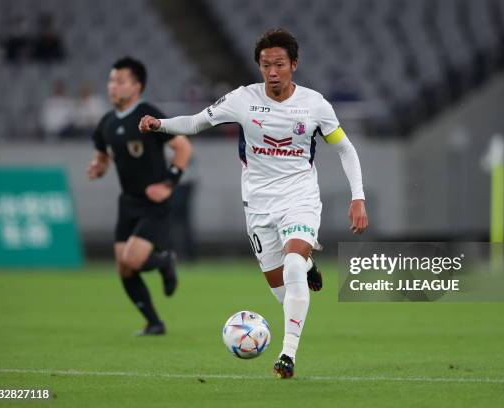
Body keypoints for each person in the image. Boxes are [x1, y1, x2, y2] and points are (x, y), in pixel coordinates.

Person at [139, 29, 367, 377]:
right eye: (265, 65)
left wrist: (358, 197)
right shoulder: (242, 99)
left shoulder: (315, 105)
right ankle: (307, 266)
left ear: (293, 64)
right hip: (258, 206)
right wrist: (160, 125)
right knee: (282, 293)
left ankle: (287, 354)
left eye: (279, 64)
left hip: (300, 197)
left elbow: (345, 149)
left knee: (291, 267)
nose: (272, 72)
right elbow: (197, 122)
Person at [88, 56, 192, 336]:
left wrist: (169, 184)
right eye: (111, 80)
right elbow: (102, 155)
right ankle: (154, 323)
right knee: (124, 268)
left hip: (154, 202)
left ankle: (165, 261)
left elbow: (183, 148)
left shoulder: (147, 113)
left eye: (120, 81)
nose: (112, 86)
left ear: (137, 86)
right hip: (128, 202)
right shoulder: (107, 123)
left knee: (132, 260)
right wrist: (98, 167)